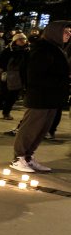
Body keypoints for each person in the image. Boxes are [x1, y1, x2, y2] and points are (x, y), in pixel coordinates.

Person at [10, 21, 71, 173]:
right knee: (31, 128)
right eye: (66, 32)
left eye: (70, 32)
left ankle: (28, 157)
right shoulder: (43, 49)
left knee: (42, 129)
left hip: (51, 96)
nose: (69, 35)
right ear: (55, 32)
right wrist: (62, 79)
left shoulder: (56, 48)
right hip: (40, 96)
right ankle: (19, 158)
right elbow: (36, 75)